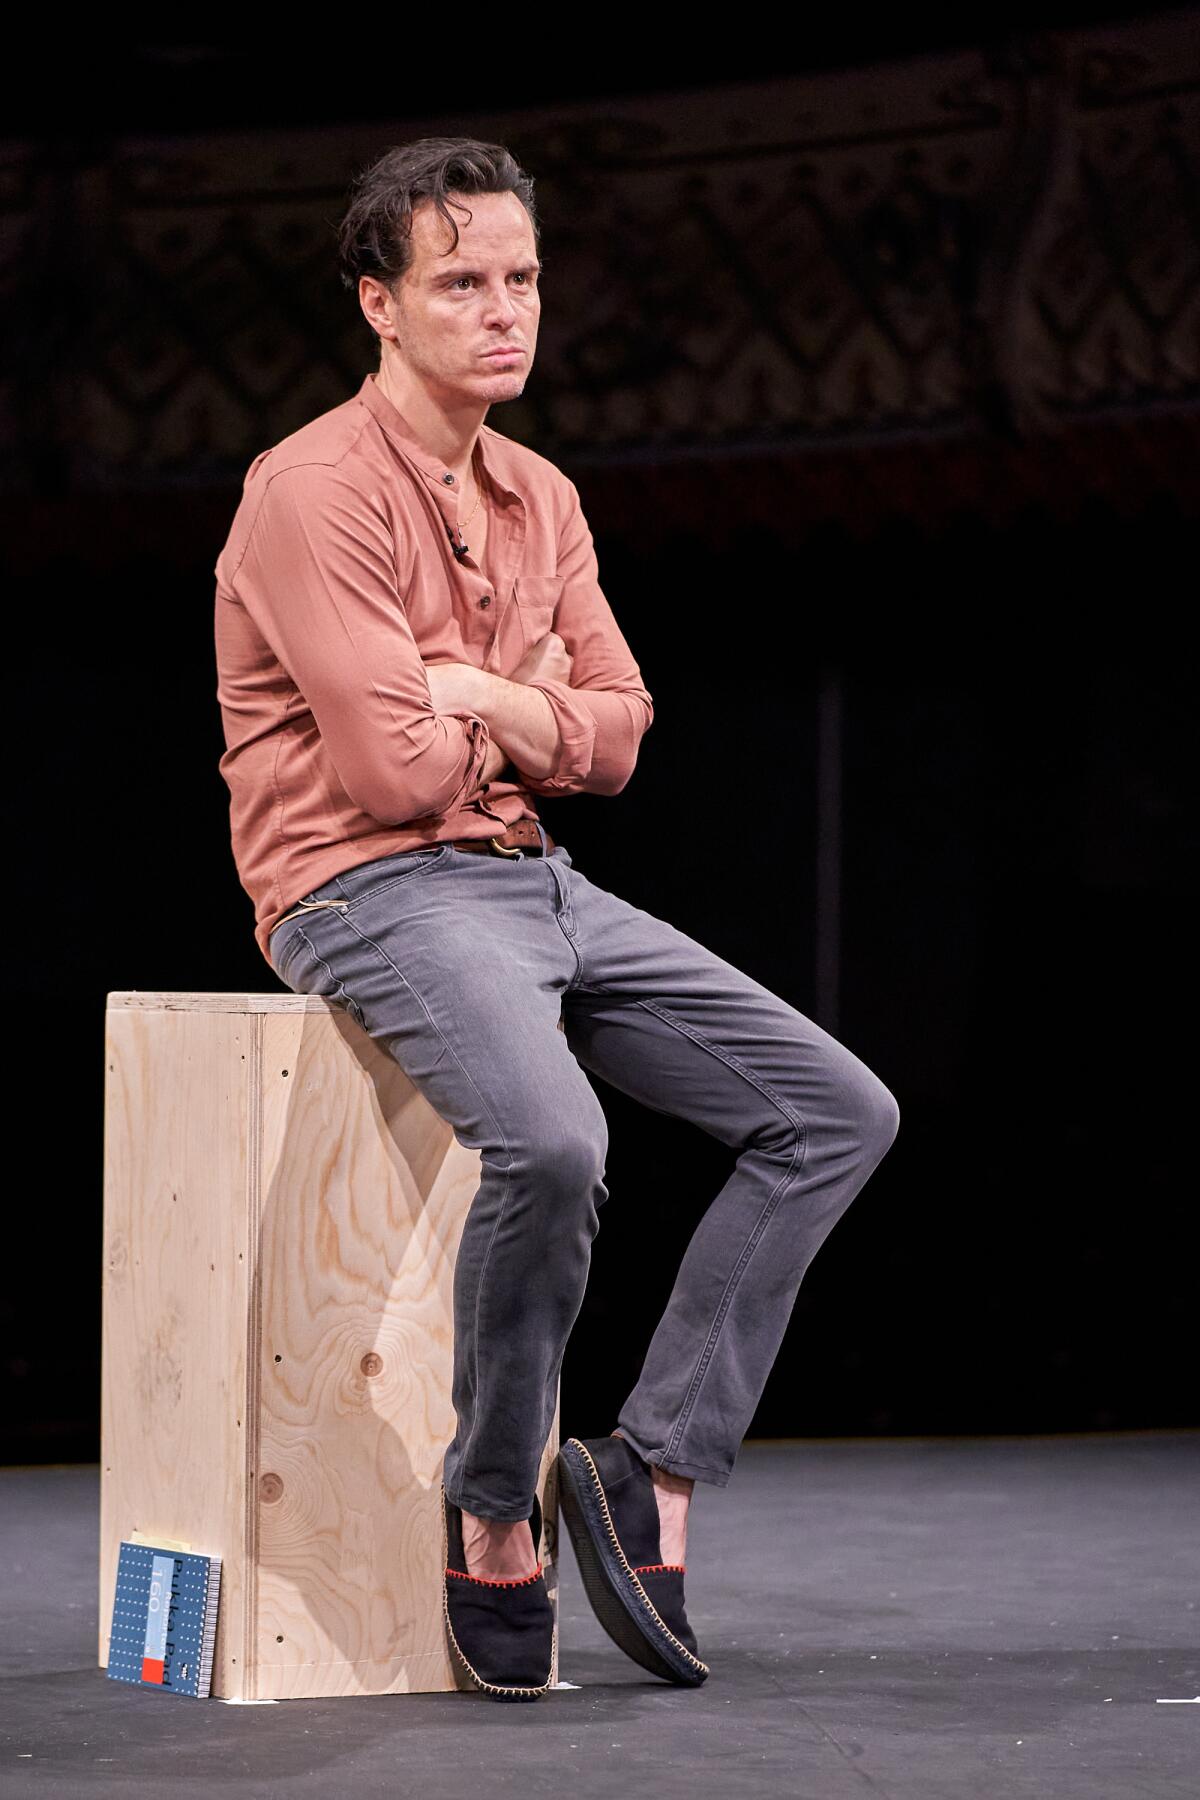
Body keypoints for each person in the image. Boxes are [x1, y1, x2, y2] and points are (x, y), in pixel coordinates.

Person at [214, 137, 900, 1702]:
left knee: (834, 1112)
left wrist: (473, 692)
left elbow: (626, 735)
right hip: (358, 887)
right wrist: (528, 718)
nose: (503, 311)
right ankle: (491, 1512)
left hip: (534, 884)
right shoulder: (310, 491)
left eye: (521, 279)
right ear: (381, 304)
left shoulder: (542, 493)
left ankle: (646, 1470)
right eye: (462, 283)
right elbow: (387, 776)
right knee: (560, 1142)